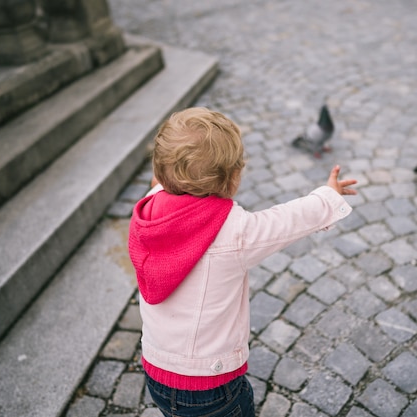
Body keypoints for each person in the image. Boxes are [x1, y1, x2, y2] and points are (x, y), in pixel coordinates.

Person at [128, 107, 357, 417]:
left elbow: (161, 179)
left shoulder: (148, 213)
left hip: (157, 373)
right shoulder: (233, 231)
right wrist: (327, 197)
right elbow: (287, 221)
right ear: (233, 178)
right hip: (210, 386)